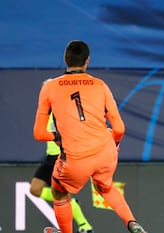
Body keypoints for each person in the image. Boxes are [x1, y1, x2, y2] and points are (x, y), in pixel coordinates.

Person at [33, 40, 147, 233]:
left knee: (59, 192)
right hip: (105, 151)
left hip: (76, 157)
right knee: (106, 187)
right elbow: (119, 128)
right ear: (87, 61)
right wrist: (114, 145)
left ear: (65, 59)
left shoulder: (50, 87)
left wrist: (58, 137)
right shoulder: (100, 85)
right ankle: (132, 222)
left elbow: (39, 134)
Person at [30, 114, 94, 233]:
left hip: (63, 157)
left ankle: (85, 226)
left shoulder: (66, 110)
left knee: (62, 195)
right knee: (35, 189)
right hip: (50, 157)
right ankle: (72, 203)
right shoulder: (46, 111)